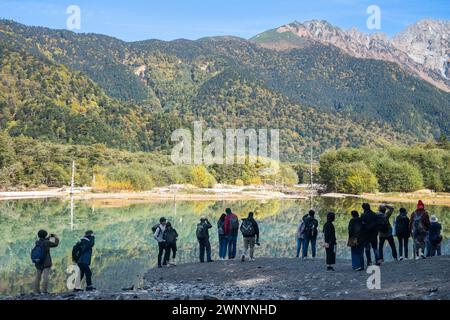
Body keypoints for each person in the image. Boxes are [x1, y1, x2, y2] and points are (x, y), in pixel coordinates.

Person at [32, 230, 60, 294]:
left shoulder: (37, 242)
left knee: (38, 277)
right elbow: (55, 244)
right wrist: (56, 238)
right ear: (45, 235)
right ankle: (44, 291)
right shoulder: (47, 242)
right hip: (46, 262)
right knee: (46, 277)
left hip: (38, 261)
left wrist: (48, 238)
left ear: (38, 235)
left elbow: (44, 240)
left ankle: (36, 291)